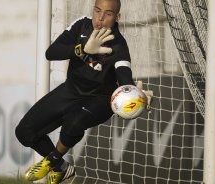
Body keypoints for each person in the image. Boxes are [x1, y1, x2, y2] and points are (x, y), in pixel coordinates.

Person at [15, 0, 153, 184]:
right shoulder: (81, 24)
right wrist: (81, 50)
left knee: (74, 121)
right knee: (24, 132)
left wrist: (137, 95)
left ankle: (53, 159)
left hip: (100, 100)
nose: (100, 18)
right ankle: (62, 169)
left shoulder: (119, 45)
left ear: (117, 17)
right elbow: (51, 52)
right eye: (97, 11)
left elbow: (124, 77)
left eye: (108, 14)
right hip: (71, 90)